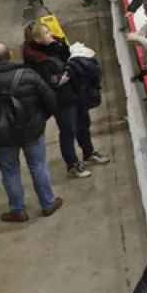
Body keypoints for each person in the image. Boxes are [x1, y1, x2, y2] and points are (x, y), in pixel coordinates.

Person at [22, 22, 110, 179]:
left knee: (84, 124)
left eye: (49, 31)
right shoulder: (36, 60)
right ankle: (72, 164)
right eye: (46, 33)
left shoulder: (57, 45)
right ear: (37, 39)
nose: (51, 35)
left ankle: (88, 152)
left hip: (75, 93)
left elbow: (66, 58)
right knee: (68, 131)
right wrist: (68, 72)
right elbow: (50, 82)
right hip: (61, 100)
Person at [0, 42, 61, 223]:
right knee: (38, 165)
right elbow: (50, 100)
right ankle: (48, 203)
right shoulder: (28, 75)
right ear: (10, 55)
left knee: (9, 172)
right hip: (31, 131)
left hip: (1, 137)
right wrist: (40, 120)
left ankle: (17, 210)